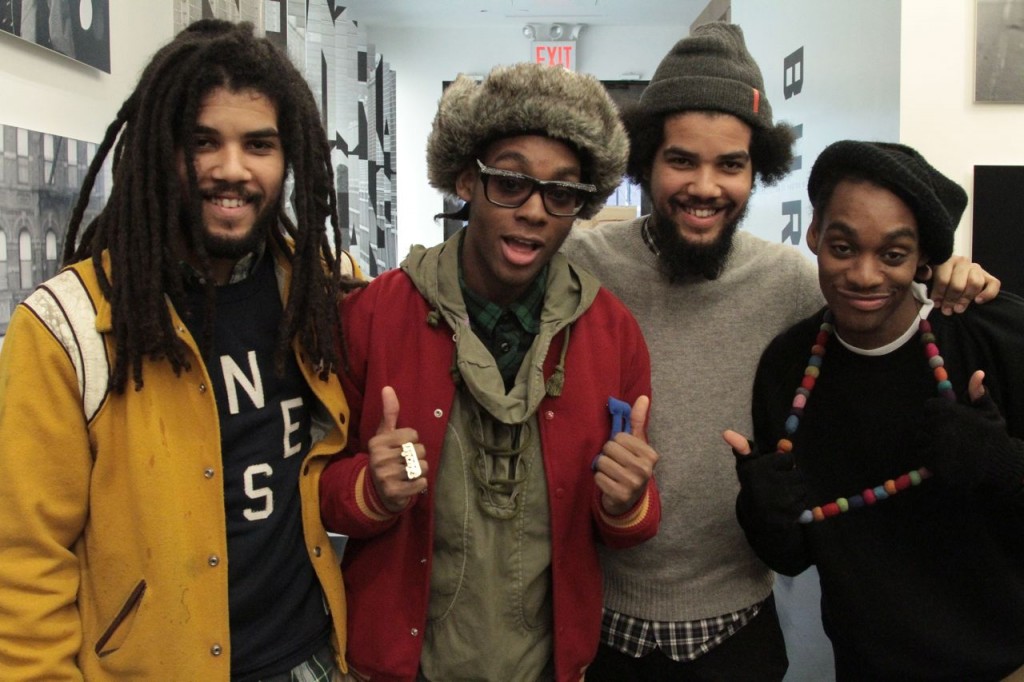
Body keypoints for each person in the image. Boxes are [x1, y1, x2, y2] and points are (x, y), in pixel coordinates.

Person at [561, 22, 1000, 681]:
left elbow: (881, 306)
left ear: (756, 170)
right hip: (593, 624)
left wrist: (946, 273)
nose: (705, 185)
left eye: (730, 165)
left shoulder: (794, 283)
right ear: (646, 159)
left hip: (739, 631)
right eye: (682, 160)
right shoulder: (580, 267)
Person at [0, 19, 363, 680]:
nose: (231, 169)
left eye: (259, 144)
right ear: (158, 152)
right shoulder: (65, 328)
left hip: (312, 657)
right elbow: (25, 564)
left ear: (288, 158)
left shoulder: (316, 290)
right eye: (202, 142)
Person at [318, 62, 660, 682]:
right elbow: (315, 491)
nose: (534, 211)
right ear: (466, 181)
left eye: (561, 193)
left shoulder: (612, 336)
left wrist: (628, 500)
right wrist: (372, 489)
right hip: (400, 666)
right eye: (510, 182)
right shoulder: (371, 319)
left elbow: (629, 521)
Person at [725, 140, 1024, 680]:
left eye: (892, 255)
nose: (864, 275)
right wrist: (762, 512)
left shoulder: (992, 336)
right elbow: (794, 555)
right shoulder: (788, 366)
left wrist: (1003, 464)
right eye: (843, 247)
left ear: (922, 258)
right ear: (814, 235)